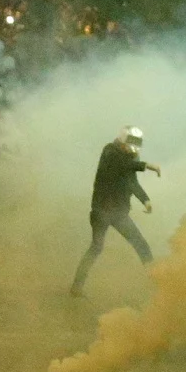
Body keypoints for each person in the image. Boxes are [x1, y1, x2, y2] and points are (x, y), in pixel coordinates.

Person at [71, 126, 162, 297]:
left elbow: (132, 182)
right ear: (122, 139)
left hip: (119, 213)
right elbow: (122, 165)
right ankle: (76, 287)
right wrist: (147, 165)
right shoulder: (110, 152)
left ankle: (157, 283)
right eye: (131, 142)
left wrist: (146, 200)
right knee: (96, 247)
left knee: (141, 245)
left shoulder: (131, 158)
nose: (133, 146)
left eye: (137, 142)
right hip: (101, 211)